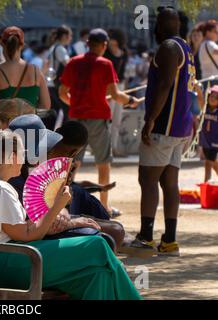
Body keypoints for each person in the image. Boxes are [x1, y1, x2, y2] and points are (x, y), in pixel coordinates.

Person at [0, 130, 141, 300]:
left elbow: (21, 229)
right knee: (98, 244)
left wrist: (70, 223)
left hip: (7, 258)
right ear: (12, 157)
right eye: (23, 153)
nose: (25, 159)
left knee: (97, 276)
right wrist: (58, 205)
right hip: (7, 260)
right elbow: (30, 235)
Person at [128, 8, 196, 257]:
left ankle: (146, 237)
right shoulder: (186, 48)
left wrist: (150, 119)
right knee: (170, 183)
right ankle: (169, 241)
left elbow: (166, 85)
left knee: (147, 179)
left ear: (162, 26)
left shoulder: (168, 47)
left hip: (164, 126)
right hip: (181, 127)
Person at [58, 28, 142, 217]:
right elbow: (115, 95)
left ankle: (66, 204)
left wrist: (78, 103)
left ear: (88, 44)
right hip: (98, 120)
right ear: (104, 45)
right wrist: (130, 101)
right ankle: (104, 207)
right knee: (103, 163)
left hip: (76, 119)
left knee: (72, 163)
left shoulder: (73, 62)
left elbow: (62, 92)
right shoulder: (105, 64)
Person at [7, 115, 125, 249]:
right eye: (44, 148)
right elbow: (32, 225)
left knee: (113, 229)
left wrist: (63, 205)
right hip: (37, 234)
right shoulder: (13, 178)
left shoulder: (28, 170)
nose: (48, 151)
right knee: (109, 235)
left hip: (49, 222)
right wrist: (69, 220)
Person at [0, 26, 50, 111]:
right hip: (31, 123)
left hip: (7, 123)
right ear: (22, 45)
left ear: (1, 43)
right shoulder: (35, 71)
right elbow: (46, 105)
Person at [104, 29, 129, 157]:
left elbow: (123, 73)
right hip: (107, 86)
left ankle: (114, 147)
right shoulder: (105, 53)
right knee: (108, 118)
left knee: (117, 119)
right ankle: (107, 148)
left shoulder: (124, 53)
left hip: (119, 85)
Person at [46, 25, 72, 127]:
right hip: (57, 84)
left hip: (51, 83)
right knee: (67, 110)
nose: (71, 39)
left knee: (55, 112)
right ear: (65, 36)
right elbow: (68, 64)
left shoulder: (53, 47)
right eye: (70, 36)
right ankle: (65, 137)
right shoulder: (60, 48)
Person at [200, 85, 218, 182]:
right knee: (213, 163)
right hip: (206, 141)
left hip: (215, 143)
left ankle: (206, 185)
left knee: (208, 163)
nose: (213, 99)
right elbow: (200, 99)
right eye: (211, 96)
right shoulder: (205, 108)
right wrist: (198, 90)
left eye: (216, 97)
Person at [198, 20, 218, 85]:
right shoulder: (209, 43)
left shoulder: (203, 44)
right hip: (213, 82)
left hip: (207, 81)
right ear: (208, 32)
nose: (217, 34)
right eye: (216, 31)